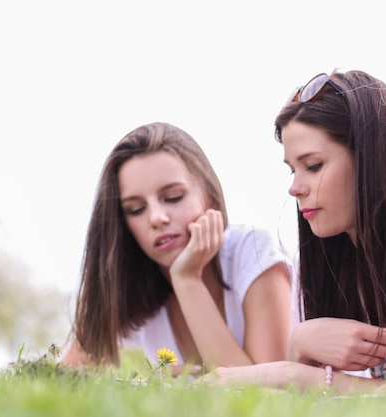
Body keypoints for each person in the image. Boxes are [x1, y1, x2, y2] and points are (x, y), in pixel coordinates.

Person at [198, 69, 386, 393]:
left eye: (313, 165)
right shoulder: (342, 260)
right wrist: (299, 347)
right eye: (293, 170)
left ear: (369, 158)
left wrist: (293, 373)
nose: (295, 188)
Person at [61, 122, 293, 374]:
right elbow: (60, 381)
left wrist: (187, 279)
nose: (156, 218)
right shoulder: (129, 289)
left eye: (173, 197)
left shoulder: (253, 250)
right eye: (136, 209)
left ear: (210, 195)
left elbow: (266, 393)